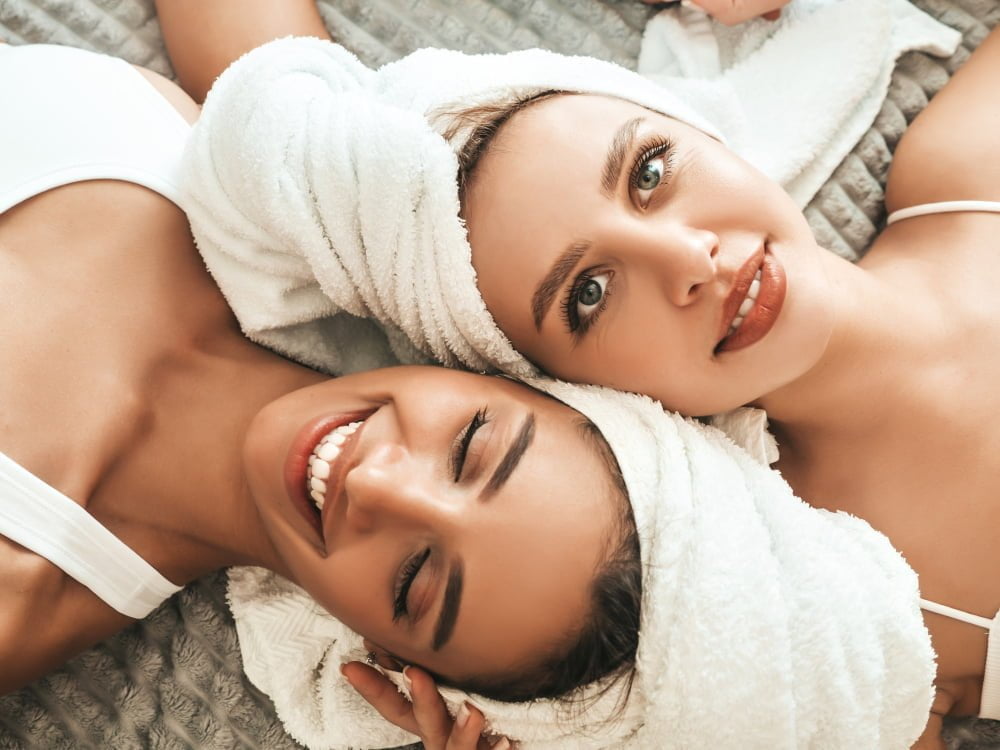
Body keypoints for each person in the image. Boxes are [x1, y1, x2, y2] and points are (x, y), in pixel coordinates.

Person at [168, 2, 1000, 746]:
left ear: (697, 130)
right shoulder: (842, 617)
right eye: (589, 295)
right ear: (562, 392)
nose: (688, 261)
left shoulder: (968, 167)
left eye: (649, 173)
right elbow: (301, 161)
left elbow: (318, 135)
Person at [0, 40, 649, 748]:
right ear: (500, 375)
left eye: (414, 580)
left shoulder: (16, 596)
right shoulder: (281, 172)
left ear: (394, 660)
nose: (377, 486)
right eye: (468, 448)